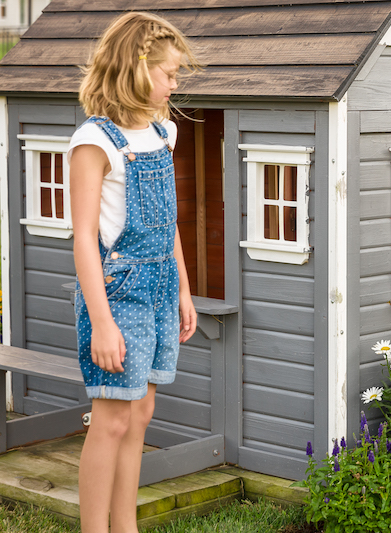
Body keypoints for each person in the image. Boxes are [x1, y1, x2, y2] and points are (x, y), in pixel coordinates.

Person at [69, 12, 200, 533]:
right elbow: (82, 238)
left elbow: (168, 222)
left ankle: (126, 526)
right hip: (117, 292)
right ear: (135, 67)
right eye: (169, 72)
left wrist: (185, 290)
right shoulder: (93, 141)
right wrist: (101, 322)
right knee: (112, 418)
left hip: (163, 284)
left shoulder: (162, 132)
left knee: (141, 415)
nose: (175, 83)